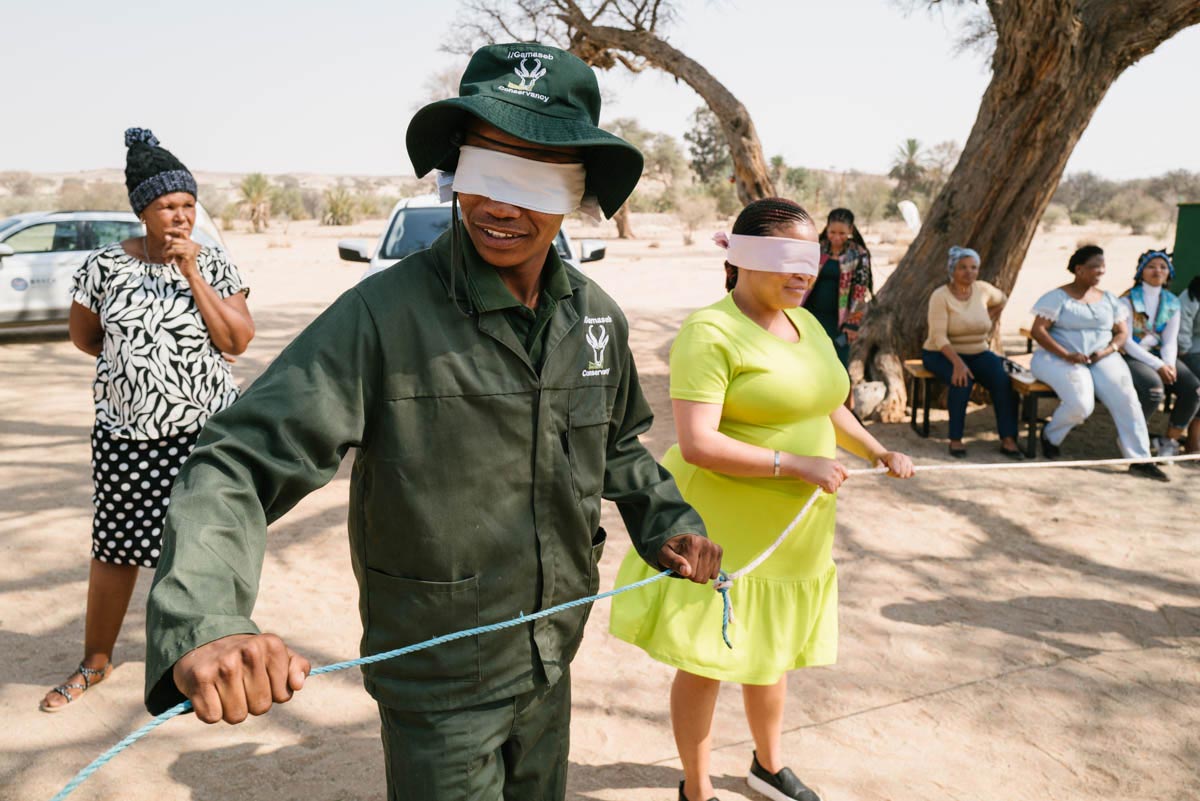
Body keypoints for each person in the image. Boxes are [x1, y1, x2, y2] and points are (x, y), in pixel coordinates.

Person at [143, 43, 722, 801]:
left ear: (575, 190)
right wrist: (208, 617)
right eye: (483, 173)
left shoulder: (595, 320)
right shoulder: (382, 317)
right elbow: (236, 462)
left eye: (533, 178)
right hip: (437, 683)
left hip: (552, 660)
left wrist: (666, 518)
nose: (500, 206)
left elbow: (616, 444)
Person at [610, 198, 914, 801]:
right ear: (742, 258)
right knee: (705, 661)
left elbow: (828, 403)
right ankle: (696, 790)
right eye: (787, 259)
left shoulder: (808, 325)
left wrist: (876, 451)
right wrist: (794, 463)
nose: (803, 273)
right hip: (726, 526)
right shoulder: (710, 332)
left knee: (770, 652)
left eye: (812, 260)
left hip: (796, 532)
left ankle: (768, 766)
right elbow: (697, 444)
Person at [40, 129, 254, 711]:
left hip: (204, 434)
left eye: (188, 204)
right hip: (127, 436)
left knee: (203, 547)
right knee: (115, 548)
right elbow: (87, 338)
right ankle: (95, 663)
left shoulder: (211, 260)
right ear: (143, 211)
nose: (181, 216)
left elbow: (237, 336)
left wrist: (193, 275)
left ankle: (207, 662)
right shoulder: (104, 267)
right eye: (168, 206)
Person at [1029, 245, 1166, 481]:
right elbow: (1039, 331)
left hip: (1102, 357)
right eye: (1095, 266)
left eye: (1102, 266)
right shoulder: (1057, 298)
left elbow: (1122, 333)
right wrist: (1066, 354)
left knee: (1127, 398)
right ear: (1079, 269)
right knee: (1081, 404)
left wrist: (1108, 350)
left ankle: (1140, 458)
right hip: (1060, 358)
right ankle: (1050, 435)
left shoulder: (1110, 300)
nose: (1100, 271)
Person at [920, 246, 1022, 458]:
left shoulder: (982, 290)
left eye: (974, 268)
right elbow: (939, 337)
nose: (969, 272)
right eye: (963, 268)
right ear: (952, 270)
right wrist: (958, 364)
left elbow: (1002, 299)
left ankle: (1008, 438)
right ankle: (955, 439)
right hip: (941, 353)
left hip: (978, 351)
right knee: (962, 380)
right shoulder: (940, 296)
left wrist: (987, 316)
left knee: (1002, 380)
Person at [1119, 249, 1200, 457]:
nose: (1158, 270)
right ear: (1141, 271)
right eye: (1151, 266)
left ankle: (1169, 441)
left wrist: (1169, 363)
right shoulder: (1127, 300)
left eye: (1163, 267)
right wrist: (1159, 366)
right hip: (1133, 355)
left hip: (1159, 355)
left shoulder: (1172, 302)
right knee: (1154, 389)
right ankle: (1133, 438)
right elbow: (1126, 341)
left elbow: (1170, 340)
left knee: (1194, 389)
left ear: (1169, 273)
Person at [801, 207, 872, 369]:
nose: (836, 237)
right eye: (832, 232)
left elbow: (860, 290)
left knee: (836, 366)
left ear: (851, 230)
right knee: (808, 362)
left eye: (842, 233)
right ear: (826, 228)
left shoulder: (858, 254)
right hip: (809, 315)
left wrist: (853, 323)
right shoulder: (817, 248)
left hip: (839, 322)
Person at [1179, 271, 1200, 453]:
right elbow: (1183, 331)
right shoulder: (1191, 296)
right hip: (1192, 350)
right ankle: (1193, 441)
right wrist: (1184, 352)